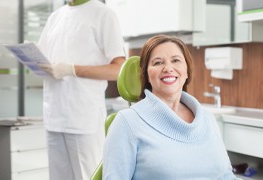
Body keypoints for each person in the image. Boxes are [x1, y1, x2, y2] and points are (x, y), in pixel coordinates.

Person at [103, 34, 240, 179]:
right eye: (157, 63)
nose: (168, 68)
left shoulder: (207, 119)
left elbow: (226, 176)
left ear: (186, 71)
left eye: (176, 60)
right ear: (146, 75)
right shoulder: (127, 122)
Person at [36, 0, 125, 179]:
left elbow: (119, 69)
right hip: (54, 116)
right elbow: (44, 59)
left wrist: (72, 70)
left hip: (83, 119)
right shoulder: (55, 17)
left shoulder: (103, 14)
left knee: (89, 176)